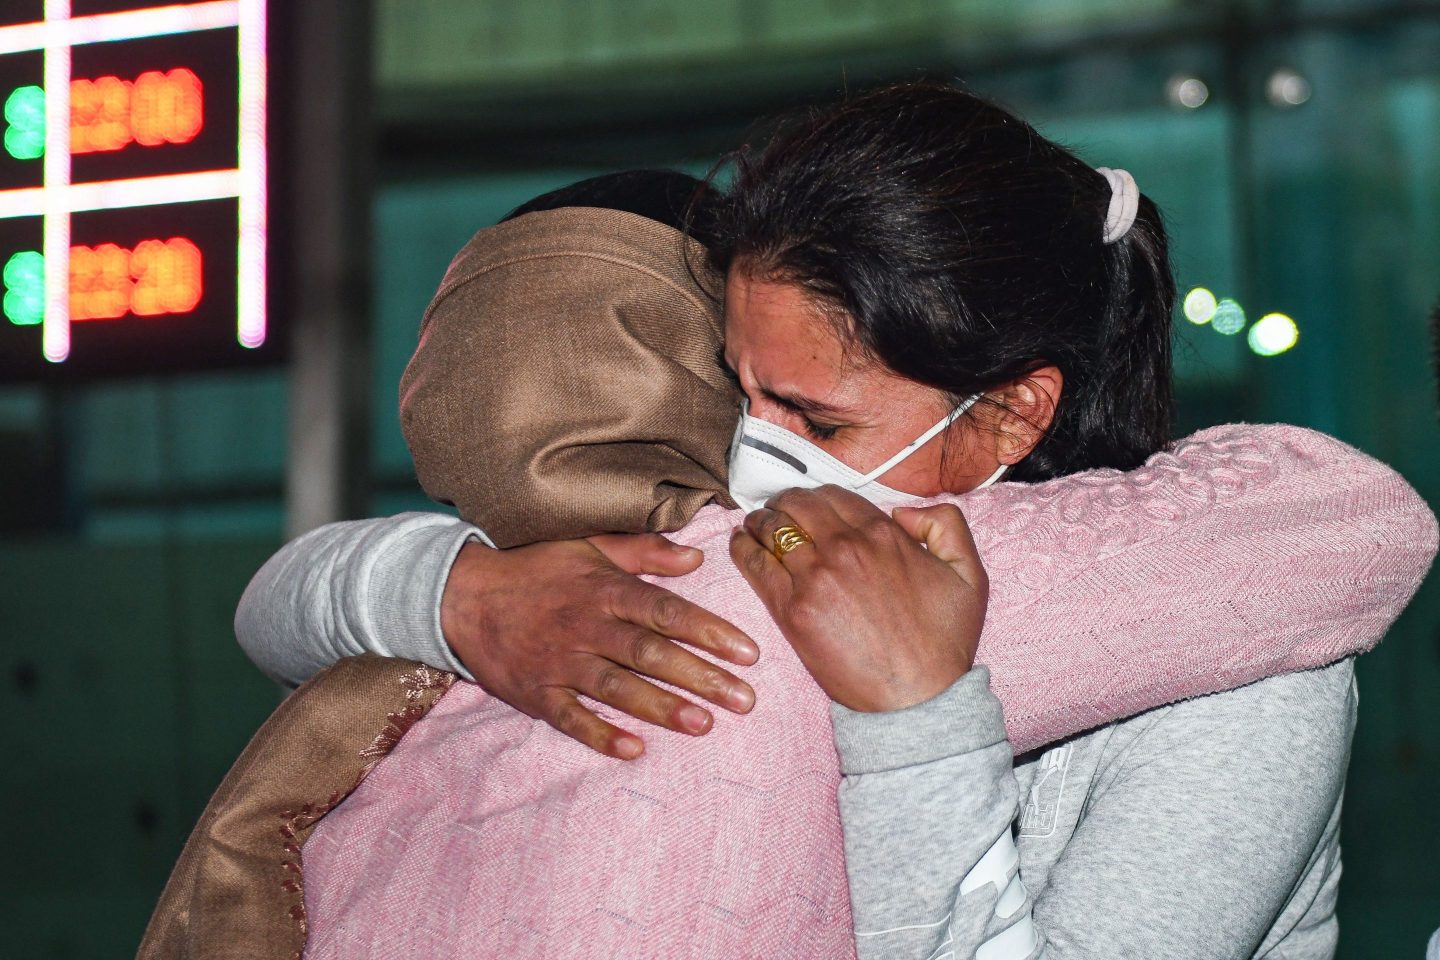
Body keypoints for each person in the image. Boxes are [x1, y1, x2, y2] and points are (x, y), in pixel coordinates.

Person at [237, 120, 1434, 957]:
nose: (752, 456)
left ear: (1015, 408)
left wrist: (914, 719)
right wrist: (458, 594)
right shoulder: (729, 538)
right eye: (742, 395)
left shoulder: (1239, 672)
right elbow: (282, 604)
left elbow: (1357, 517)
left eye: (815, 417)